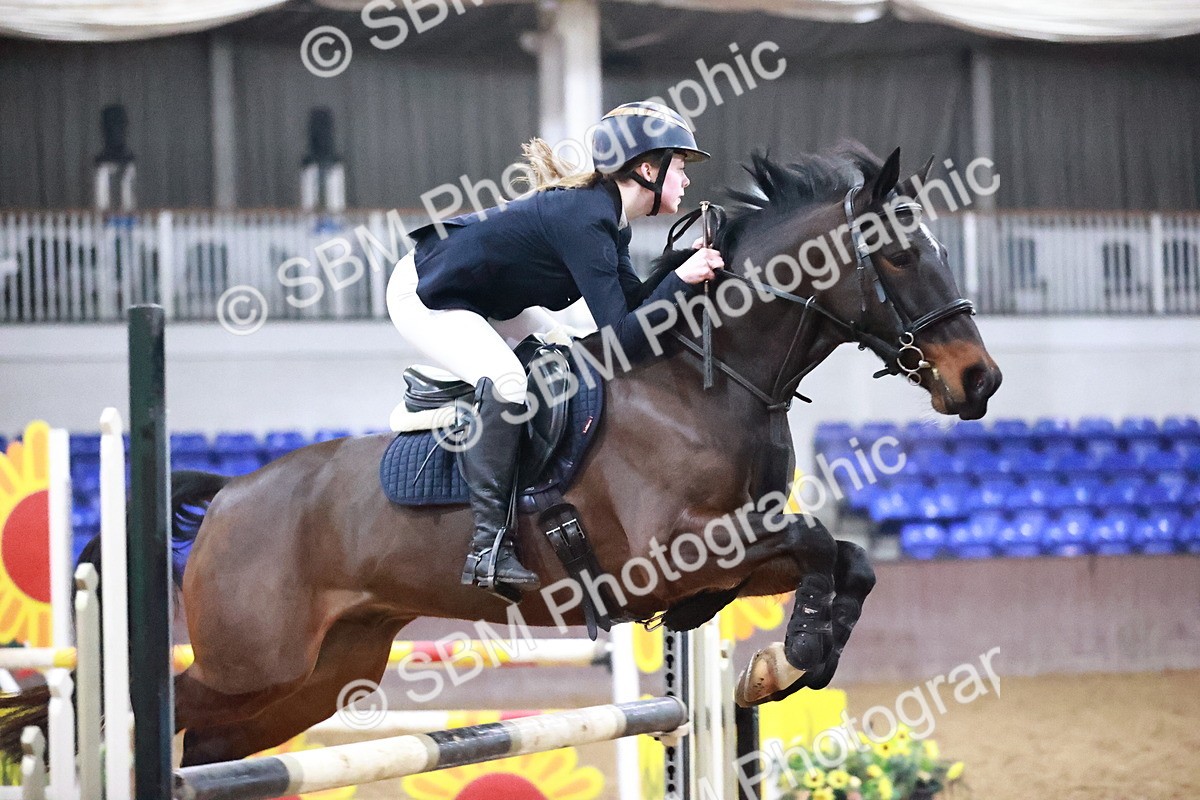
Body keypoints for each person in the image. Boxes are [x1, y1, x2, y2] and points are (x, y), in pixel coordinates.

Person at [387, 100, 725, 596]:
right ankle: (487, 548)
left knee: (564, 345)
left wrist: (678, 267)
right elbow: (621, 336)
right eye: (679, 167)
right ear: (647, 169)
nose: (686, 180)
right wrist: (679, 281)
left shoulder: (609, 217)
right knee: (508, 382)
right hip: (426, 293)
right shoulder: (586, 219)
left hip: (487, 299)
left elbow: (631, 305)